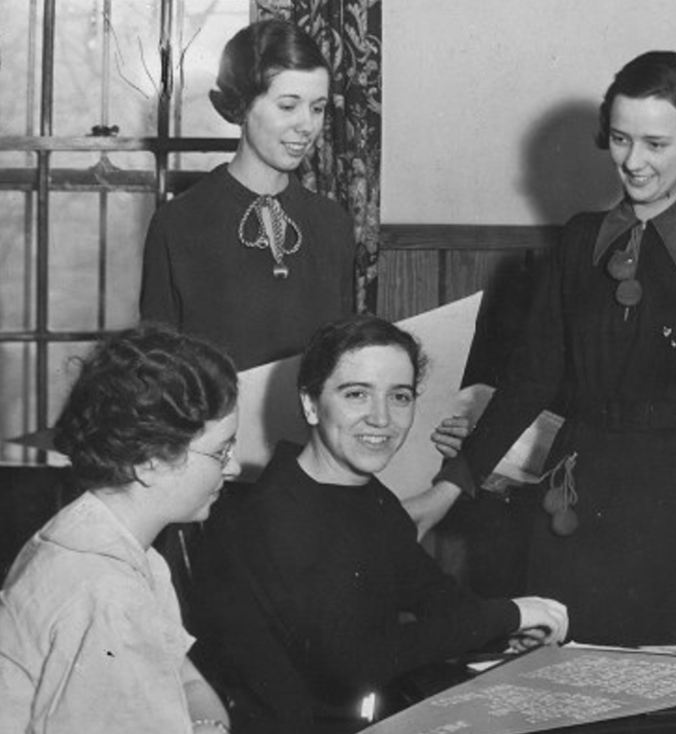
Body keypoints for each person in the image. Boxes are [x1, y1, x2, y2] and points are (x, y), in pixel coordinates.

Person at [428, 50, 676, 646]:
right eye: (619, 139)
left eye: (656, 144)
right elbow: (530, 378)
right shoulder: (579, 240)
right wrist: (456, 480)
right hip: (575, 496)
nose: (633, 163)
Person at [189, 315, 568, 734]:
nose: (381, 418)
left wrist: (509, 632)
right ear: (311, 404)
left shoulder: (369, 496)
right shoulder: (278, 511)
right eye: (357, 394)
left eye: (400, 397)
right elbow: (356, 663)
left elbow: (438, 597)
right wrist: (506, 616)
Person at [0, 324, 238, 734]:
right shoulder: (109, 595)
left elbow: (187, 679)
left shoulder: (111, 540)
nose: (232, 468)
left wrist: (204, 725)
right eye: (221, 452)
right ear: (150, 462)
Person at [141, 18, 355, 370]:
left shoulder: (334, 224)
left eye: (317, 108)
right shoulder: (177, 224)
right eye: (288, 106)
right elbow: (157, 369)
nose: (307, 125)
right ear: (241, 107)